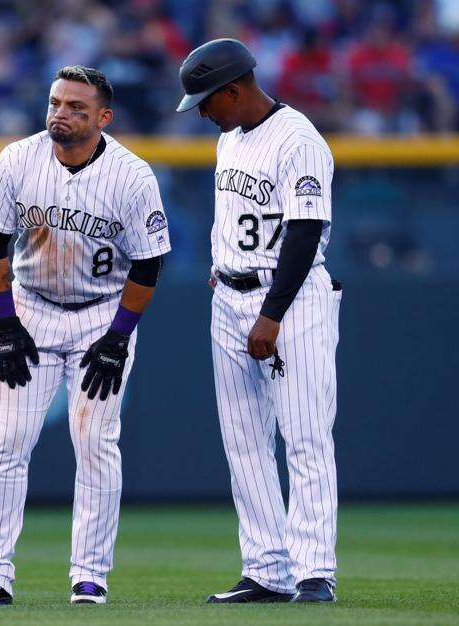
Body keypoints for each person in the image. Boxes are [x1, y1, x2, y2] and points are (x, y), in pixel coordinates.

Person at [0, 65, 170, 606]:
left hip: (103, 311)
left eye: (76, 107)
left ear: (104, 117)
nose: (61, 114)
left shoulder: (132, 175)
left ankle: (90, 575)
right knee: (6, 441)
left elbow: (148, 265)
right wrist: (5, 324)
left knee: (96, 443)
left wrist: (119, 337)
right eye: (56, 103)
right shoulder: (18, 159)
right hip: (29, 306)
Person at [177, 39, 341, 604]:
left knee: (304, 435)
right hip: (231, 297)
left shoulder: (300, 139)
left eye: (205, 99)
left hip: (289, 299)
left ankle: (315, 570)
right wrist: (226, 266)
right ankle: (267, 569)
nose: (200, 111)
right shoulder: (229, 138)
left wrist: (269, 315)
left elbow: (304, 233)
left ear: (235, 89)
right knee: (244, 442)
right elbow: (243, 218)